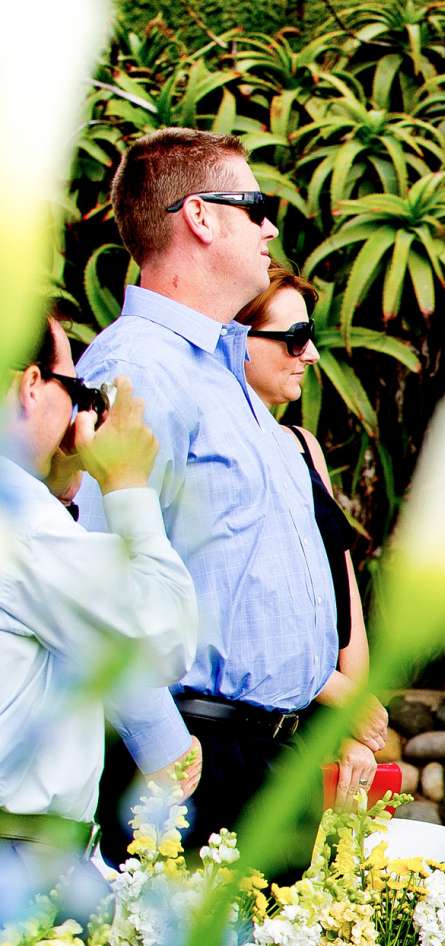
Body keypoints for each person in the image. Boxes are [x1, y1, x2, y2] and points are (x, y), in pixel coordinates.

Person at [77, 127, 346, 855]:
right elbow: (97, 576)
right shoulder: (139, 369)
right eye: (254, 205)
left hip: (268, 757)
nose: (268, 228)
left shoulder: (224, 369)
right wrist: (166, 748)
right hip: (199, 757)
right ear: (198, 216)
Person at [0, 318, 197, 861]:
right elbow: (163, 636)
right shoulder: (19, 524)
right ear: (31, 386)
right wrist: (126, 480)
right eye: (75, 391)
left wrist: (58, 479)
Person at [234, 265, 383, 796]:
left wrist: (352, 724)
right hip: (261, 719)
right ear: (237, 341)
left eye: (310, 338)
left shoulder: (303, 445)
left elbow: (341, 591)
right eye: (294, 339)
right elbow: (252, 611)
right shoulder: (226, 465)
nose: (310, 355)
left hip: (320, 718)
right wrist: (342, 698)